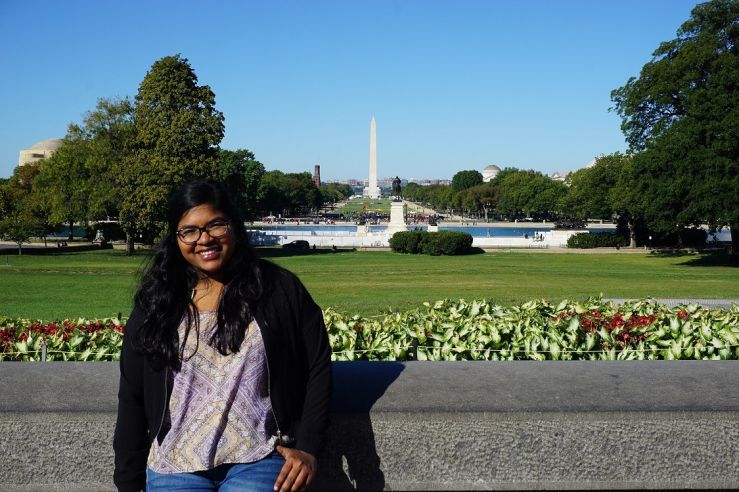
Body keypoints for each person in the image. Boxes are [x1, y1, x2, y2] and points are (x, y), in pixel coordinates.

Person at [113, 179, 332, 492]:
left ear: (234, 226)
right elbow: (132, 395)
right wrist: (128, 482)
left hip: (258, 459)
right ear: (176, 237)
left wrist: (309, 447)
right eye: (189, 230)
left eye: (216, 225)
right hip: (174, 465)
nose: (204, 239)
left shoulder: (279, 289)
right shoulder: (156, 301)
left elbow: (317, 367)